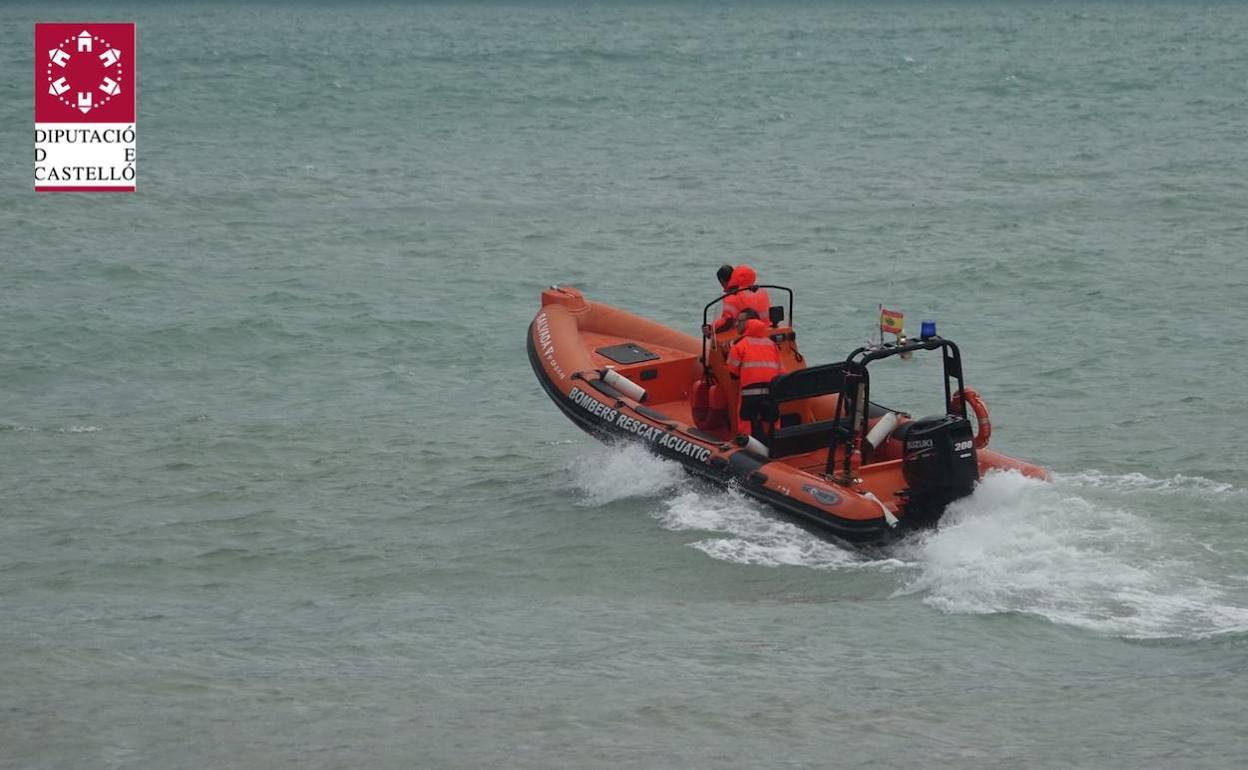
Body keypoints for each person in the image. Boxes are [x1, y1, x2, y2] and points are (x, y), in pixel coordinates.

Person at [725, 308, 782, 438]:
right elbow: (779, 370)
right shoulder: (771, 344)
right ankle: (776, 442)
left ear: (748, 324)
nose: (736, 324)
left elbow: (732, 372)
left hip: (749, 394)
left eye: (739, 321)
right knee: (771, 419)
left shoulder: (739, 344)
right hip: (771, 392)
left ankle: (746, 444)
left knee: (745, 418)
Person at [709, 264, 771, 334]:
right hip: (765, 332)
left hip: (744, 335)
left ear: (722, 281)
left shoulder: (732, 297)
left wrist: (711, 329)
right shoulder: (761, 292)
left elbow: (727, 322)